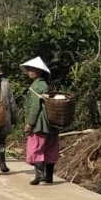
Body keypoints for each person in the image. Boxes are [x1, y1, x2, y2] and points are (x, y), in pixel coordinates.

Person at [21, 57, 60, 185]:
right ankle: (49, 177)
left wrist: (29, 123)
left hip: (40, 123)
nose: (29, 72)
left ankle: (39, 175)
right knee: (50, 148)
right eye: (29, 69)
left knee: (36, 147)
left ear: (39, 71)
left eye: (32, 69)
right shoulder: (49, 85)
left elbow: (35, 107)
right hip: (53, 123)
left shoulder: (36, 86)